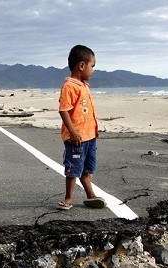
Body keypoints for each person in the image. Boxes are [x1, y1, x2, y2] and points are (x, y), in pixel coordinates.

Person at [57, 45, 106, 210]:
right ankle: (68, 198)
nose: (93, 70)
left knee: (87, 168)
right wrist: (72, 131)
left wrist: (94, 131)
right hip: (76, 138)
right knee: (73, 167)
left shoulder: (84, 86)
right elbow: (64, 110)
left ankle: (91, 196)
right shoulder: (69, 86)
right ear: (82, 65)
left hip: (89, 136)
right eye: (92, 66)